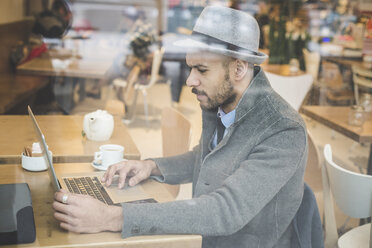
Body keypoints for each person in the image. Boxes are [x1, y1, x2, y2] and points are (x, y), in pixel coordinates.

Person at [53, 6, 309, 247]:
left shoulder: (283, 130)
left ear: (239, 68)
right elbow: (205, 157)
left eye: (202, 70)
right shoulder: (222, 100)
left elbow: (225, 211)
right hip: (202, 238)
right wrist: (151, 166)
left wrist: (111, 217)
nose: (190, 80)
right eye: (190, 68)